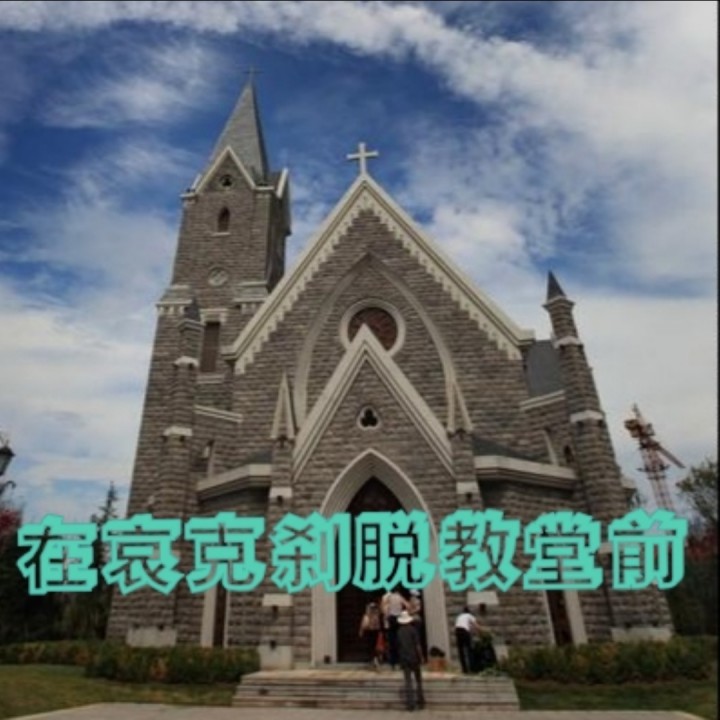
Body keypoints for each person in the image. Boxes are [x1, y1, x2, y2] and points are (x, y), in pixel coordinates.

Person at [397, 610, 425, 711]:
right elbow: (417, 645)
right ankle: (420, 701)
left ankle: (410, 704)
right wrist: (421, 657)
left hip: (404, 658)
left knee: (408, 681)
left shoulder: (399, 632)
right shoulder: (413, 630)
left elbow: (399, 646)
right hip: (414, 657)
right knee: (418, 680)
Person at [381, 586, 409, 669]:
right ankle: (401, 661)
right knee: (400, 641)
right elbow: (407, 605)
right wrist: (404, 613)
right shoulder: (399, 597)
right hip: (399, 618)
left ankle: (393, 662)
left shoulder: (388, 597)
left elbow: (384, 609)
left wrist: (386, 615)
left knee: (392, 641)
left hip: (391, 619)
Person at [454, 606, 479, 674]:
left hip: (457, 631)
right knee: (469, 649)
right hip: (464, 631)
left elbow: (464, 626)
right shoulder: (469, 615)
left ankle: (464, 669)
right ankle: (472, 668)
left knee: (461, 651)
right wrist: (482, 631)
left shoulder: (459, 616)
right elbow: (475, 625)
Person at [358, 601, 383, 669]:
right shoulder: (375, 615)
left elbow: (364, 624)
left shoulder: (370, 615)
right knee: (372, 646)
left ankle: (374, 659)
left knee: (371, 646)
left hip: (370, 632)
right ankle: (374, 659)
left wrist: (361, 631)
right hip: (372, 632)